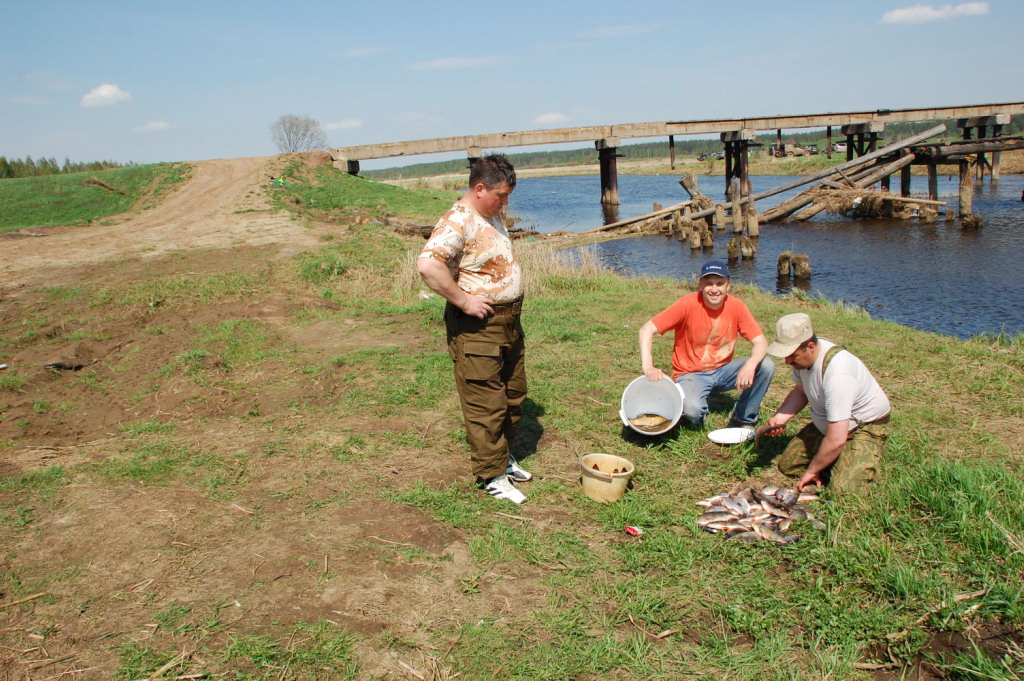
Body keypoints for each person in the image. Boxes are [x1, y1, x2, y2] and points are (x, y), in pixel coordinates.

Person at [417, 154, 531, 505]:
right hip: (477, 327)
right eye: (500, 195)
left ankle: (502, 458)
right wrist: (464, 301)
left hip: (508, 322)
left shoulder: (490, 213)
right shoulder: (457, 221)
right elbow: (428, 265)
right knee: (486, 402)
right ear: (479, 188)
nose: (505, 202)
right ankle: (491, 475)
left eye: (508, 195)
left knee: (513, 394)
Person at [754, 313, 891, 494]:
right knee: (788, 465)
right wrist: (781, 417)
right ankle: (836, 460)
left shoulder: (838, 375)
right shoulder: (804, 360)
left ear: (810, 346)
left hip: (863, 427)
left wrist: (812, 470)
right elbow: (801, 392)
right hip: (830, 423)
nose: (787, 361)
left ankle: (854, 456)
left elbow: (836, 438)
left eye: (792, 356)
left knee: (844, 491)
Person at [638, 260, 774, 429]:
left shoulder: (737, 306)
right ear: (700, 284)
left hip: (723, 371)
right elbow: (647, 329)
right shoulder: (686, 304)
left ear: (728, 285)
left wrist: (750, 365)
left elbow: (760, 341)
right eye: (709, 283)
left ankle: (742, 418)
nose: (714, 289)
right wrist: (648, 367)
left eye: (720, 283)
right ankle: (693, 404)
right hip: (691, 374)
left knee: (766, 365)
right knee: (693, 411)